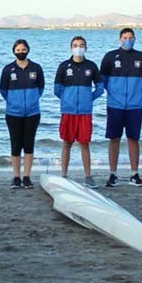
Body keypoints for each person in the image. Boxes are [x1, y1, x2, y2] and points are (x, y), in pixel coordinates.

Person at [100, 28, 142, 187]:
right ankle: (113, 174)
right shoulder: (110, 57)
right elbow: (104, 80)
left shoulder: (141, 57)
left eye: (130, 37)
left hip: (135, 105)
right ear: (119, 39)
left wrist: (134, 93)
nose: (128, 40)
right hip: (115, 105)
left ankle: (134, 174)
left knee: (133, 138)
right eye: (125, 37)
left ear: (134, 39)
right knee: (114, 138)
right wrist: (115, 92)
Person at [54, 36, 104, 188]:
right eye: (75, 45)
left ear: (86, 48)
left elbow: (100, 88)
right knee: (66, 143)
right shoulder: (64, 66)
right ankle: (63, 174)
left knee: (84, 143)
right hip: (68, 112)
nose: (78, 47)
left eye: (81, 45)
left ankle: (88, 176)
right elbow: (57, 89)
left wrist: (88, 99)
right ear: (71, 48)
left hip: (84, 112)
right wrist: (66, 101)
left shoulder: (91, 66)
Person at [0, 39, 45, 190]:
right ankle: (16, 177)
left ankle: (26, 176)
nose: (21, 52)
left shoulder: (36, 68)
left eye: (23, 49)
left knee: (29, 144)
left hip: (32, 113)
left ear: (28, 50)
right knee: (15, 144)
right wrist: (14, 102)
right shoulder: (8, 69)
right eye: (18, 50)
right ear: (14, 51)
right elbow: (3, 90)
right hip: (13, 113)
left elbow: (41, 88)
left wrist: (31, 101)